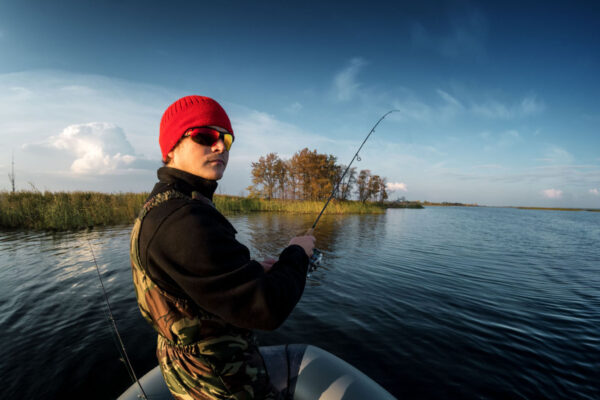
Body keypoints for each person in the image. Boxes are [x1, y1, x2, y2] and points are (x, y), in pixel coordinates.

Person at [130, 95, 315, 400]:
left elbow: (193, 286)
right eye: (205, 136)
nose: (220, 147)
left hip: (190, 373)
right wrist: (297, 253)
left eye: (226, 139)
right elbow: (267, 308)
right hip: (221, 382)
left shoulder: (164, 205)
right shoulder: (184, 219)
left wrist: (251, 271)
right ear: (171, 148)